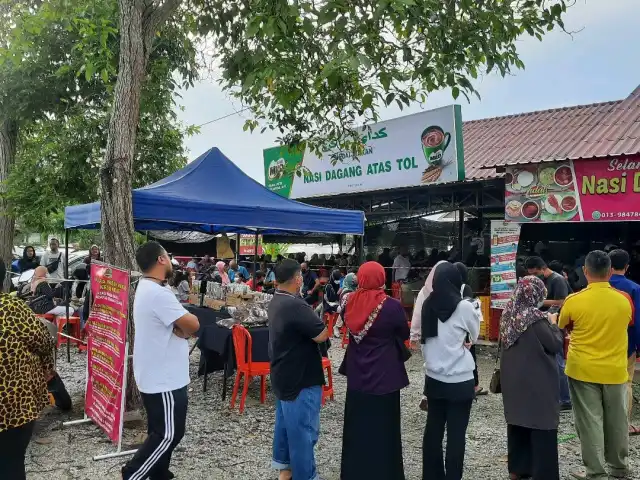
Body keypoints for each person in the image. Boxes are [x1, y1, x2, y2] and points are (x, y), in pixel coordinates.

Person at [121, 242, 200, 480]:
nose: (171, 261)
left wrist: (182, 327)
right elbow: (193, 324)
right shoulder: (156, 292)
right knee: (168, 434)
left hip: (161, 373)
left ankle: (159, 473)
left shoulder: (150, 288)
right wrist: (185, 326)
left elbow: (184, 326)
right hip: (163, 378)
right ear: (161, 260)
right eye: (168, 255)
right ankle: (132, 474)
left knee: (161, 430)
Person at [559, 250, 631, 480]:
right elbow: (629, 322)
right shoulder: (624, 299)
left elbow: (563, 325)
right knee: (617, 420)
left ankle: (596, 472)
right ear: (610, 271)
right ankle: (619, 468)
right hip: (615, 369)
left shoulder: (574, 301)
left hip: (582, 369)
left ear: (585, 271)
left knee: (590, 422)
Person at [340, 262, 409, 479]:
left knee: (358, 426)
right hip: (385, 376)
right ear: (381, 278)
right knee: (384, 428)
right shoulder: (391, 306)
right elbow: (403, 331)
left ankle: (354, 472)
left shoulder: (349, 302)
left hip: (357, 375)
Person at [268, 259, 329, 480]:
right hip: (301, 377)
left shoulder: (277, 299)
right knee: (303, 434)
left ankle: (286, 471)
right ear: (297, 279)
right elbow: (321, 334)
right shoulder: (295, 305)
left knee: (286, 428)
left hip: (283, 373)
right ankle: (306, 476)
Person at [500, 276, 564, 480]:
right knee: (541, 423)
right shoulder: (535, 319)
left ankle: (519, 467)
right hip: (537, 381)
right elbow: (554, 344)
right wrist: (553, 324)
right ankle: (543, 472)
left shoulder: (508, 314)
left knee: (518, 421)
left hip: (513, 380)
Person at [421, 262, 480, 480]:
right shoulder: (464, 306)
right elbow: (474, 336)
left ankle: (431, 475)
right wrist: (466, 339)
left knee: (433, 431)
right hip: (460, 380)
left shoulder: (428, 304)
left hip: (434, 377)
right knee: (456, 436)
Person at [0, 260, 55, 479]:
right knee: (11, 463)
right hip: (14, 407)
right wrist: (47, 368)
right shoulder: (11, 308)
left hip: (14, 406)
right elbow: (43, 340)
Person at [525, 256, 572, 411]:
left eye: (535, 273)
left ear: (542, 269)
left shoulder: (557, 280)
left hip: (555, 322)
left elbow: (563, 301)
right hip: (542, 322)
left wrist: (539, 302)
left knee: (558, 360)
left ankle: (565, 399)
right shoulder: (541, 280)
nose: (533, 277)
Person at [608, 249, 640, 436]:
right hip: (626, 344)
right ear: (627, 267)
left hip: (600, 343)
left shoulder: (596, 287)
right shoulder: (634, 288)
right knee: (625, 383)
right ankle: (623, 425)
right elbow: (637, 321)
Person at [454, 262, 487, 396]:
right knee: (470, 356)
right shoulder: (464, 287)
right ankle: (474, 386)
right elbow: (470, 306)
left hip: (454, 328)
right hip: (465, 328)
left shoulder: (448, 286)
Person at [335, 272, 356, 337]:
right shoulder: (346, 291)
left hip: (348, 310)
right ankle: (337, 327)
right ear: (350, 281)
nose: (356, 281)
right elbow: (345, 305)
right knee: (346, 310)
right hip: (343, 309)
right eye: (354, 280)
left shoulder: (354, 289)